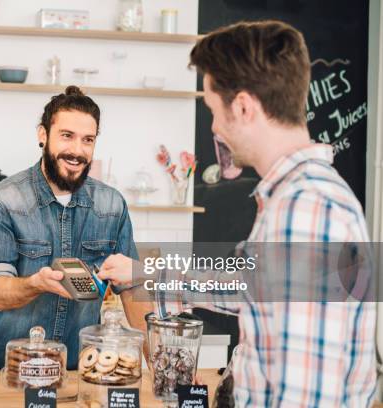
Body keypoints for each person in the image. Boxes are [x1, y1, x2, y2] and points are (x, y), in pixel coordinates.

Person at [98, 21, 376, 406]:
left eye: (213, 110)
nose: (213, 127)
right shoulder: (299, 197)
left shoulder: (306, 209)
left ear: (243, 107)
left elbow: (302, 395)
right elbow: (247, 286)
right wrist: (145, 274)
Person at [0, 86, 149, 369]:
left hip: (79, 371)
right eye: (67, 136)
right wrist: (35, 284)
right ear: (43, 135)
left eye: (88, 140)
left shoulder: (112, 204)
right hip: (10, 370)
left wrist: (160, 370)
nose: (77, 151)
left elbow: (132, 291)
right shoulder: (1, 200)